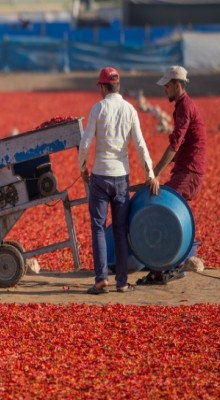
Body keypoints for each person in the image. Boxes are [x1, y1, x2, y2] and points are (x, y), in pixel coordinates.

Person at [78, 67, 159, 294]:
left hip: (100, 176)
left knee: (98, 227)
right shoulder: (130, 110)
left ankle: (101, 278)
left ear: (103, 87)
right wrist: (150, 174)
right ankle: (122, 282)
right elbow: (140, 145)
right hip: (121, 177)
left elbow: (85, 144)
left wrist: (82, 167)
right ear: (118, 86)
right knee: (121, 230)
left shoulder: (99, 108)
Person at [138, 65, 207, 285]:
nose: (164, 90)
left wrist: (154, 172)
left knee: (165, 210)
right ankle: (171, 262)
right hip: (184, 169)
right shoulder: (180, 107)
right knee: (164, 204)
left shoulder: (185, 107)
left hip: (190, 171)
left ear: (177, 85)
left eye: (167, 86)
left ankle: (163, 267)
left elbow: (175, 145)